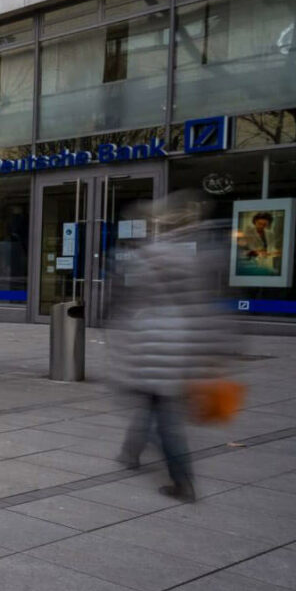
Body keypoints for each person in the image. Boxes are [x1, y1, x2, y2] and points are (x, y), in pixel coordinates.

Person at [112, 193, 229, 502]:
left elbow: (129, 304)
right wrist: (210, 352)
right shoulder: (195, 258)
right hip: (178, 343)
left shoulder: (147, 256)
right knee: (154, 403)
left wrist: (121, 346)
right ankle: (130, 452)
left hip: (150, 342)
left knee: (163, 417)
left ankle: (183, 480)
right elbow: (201, 308)